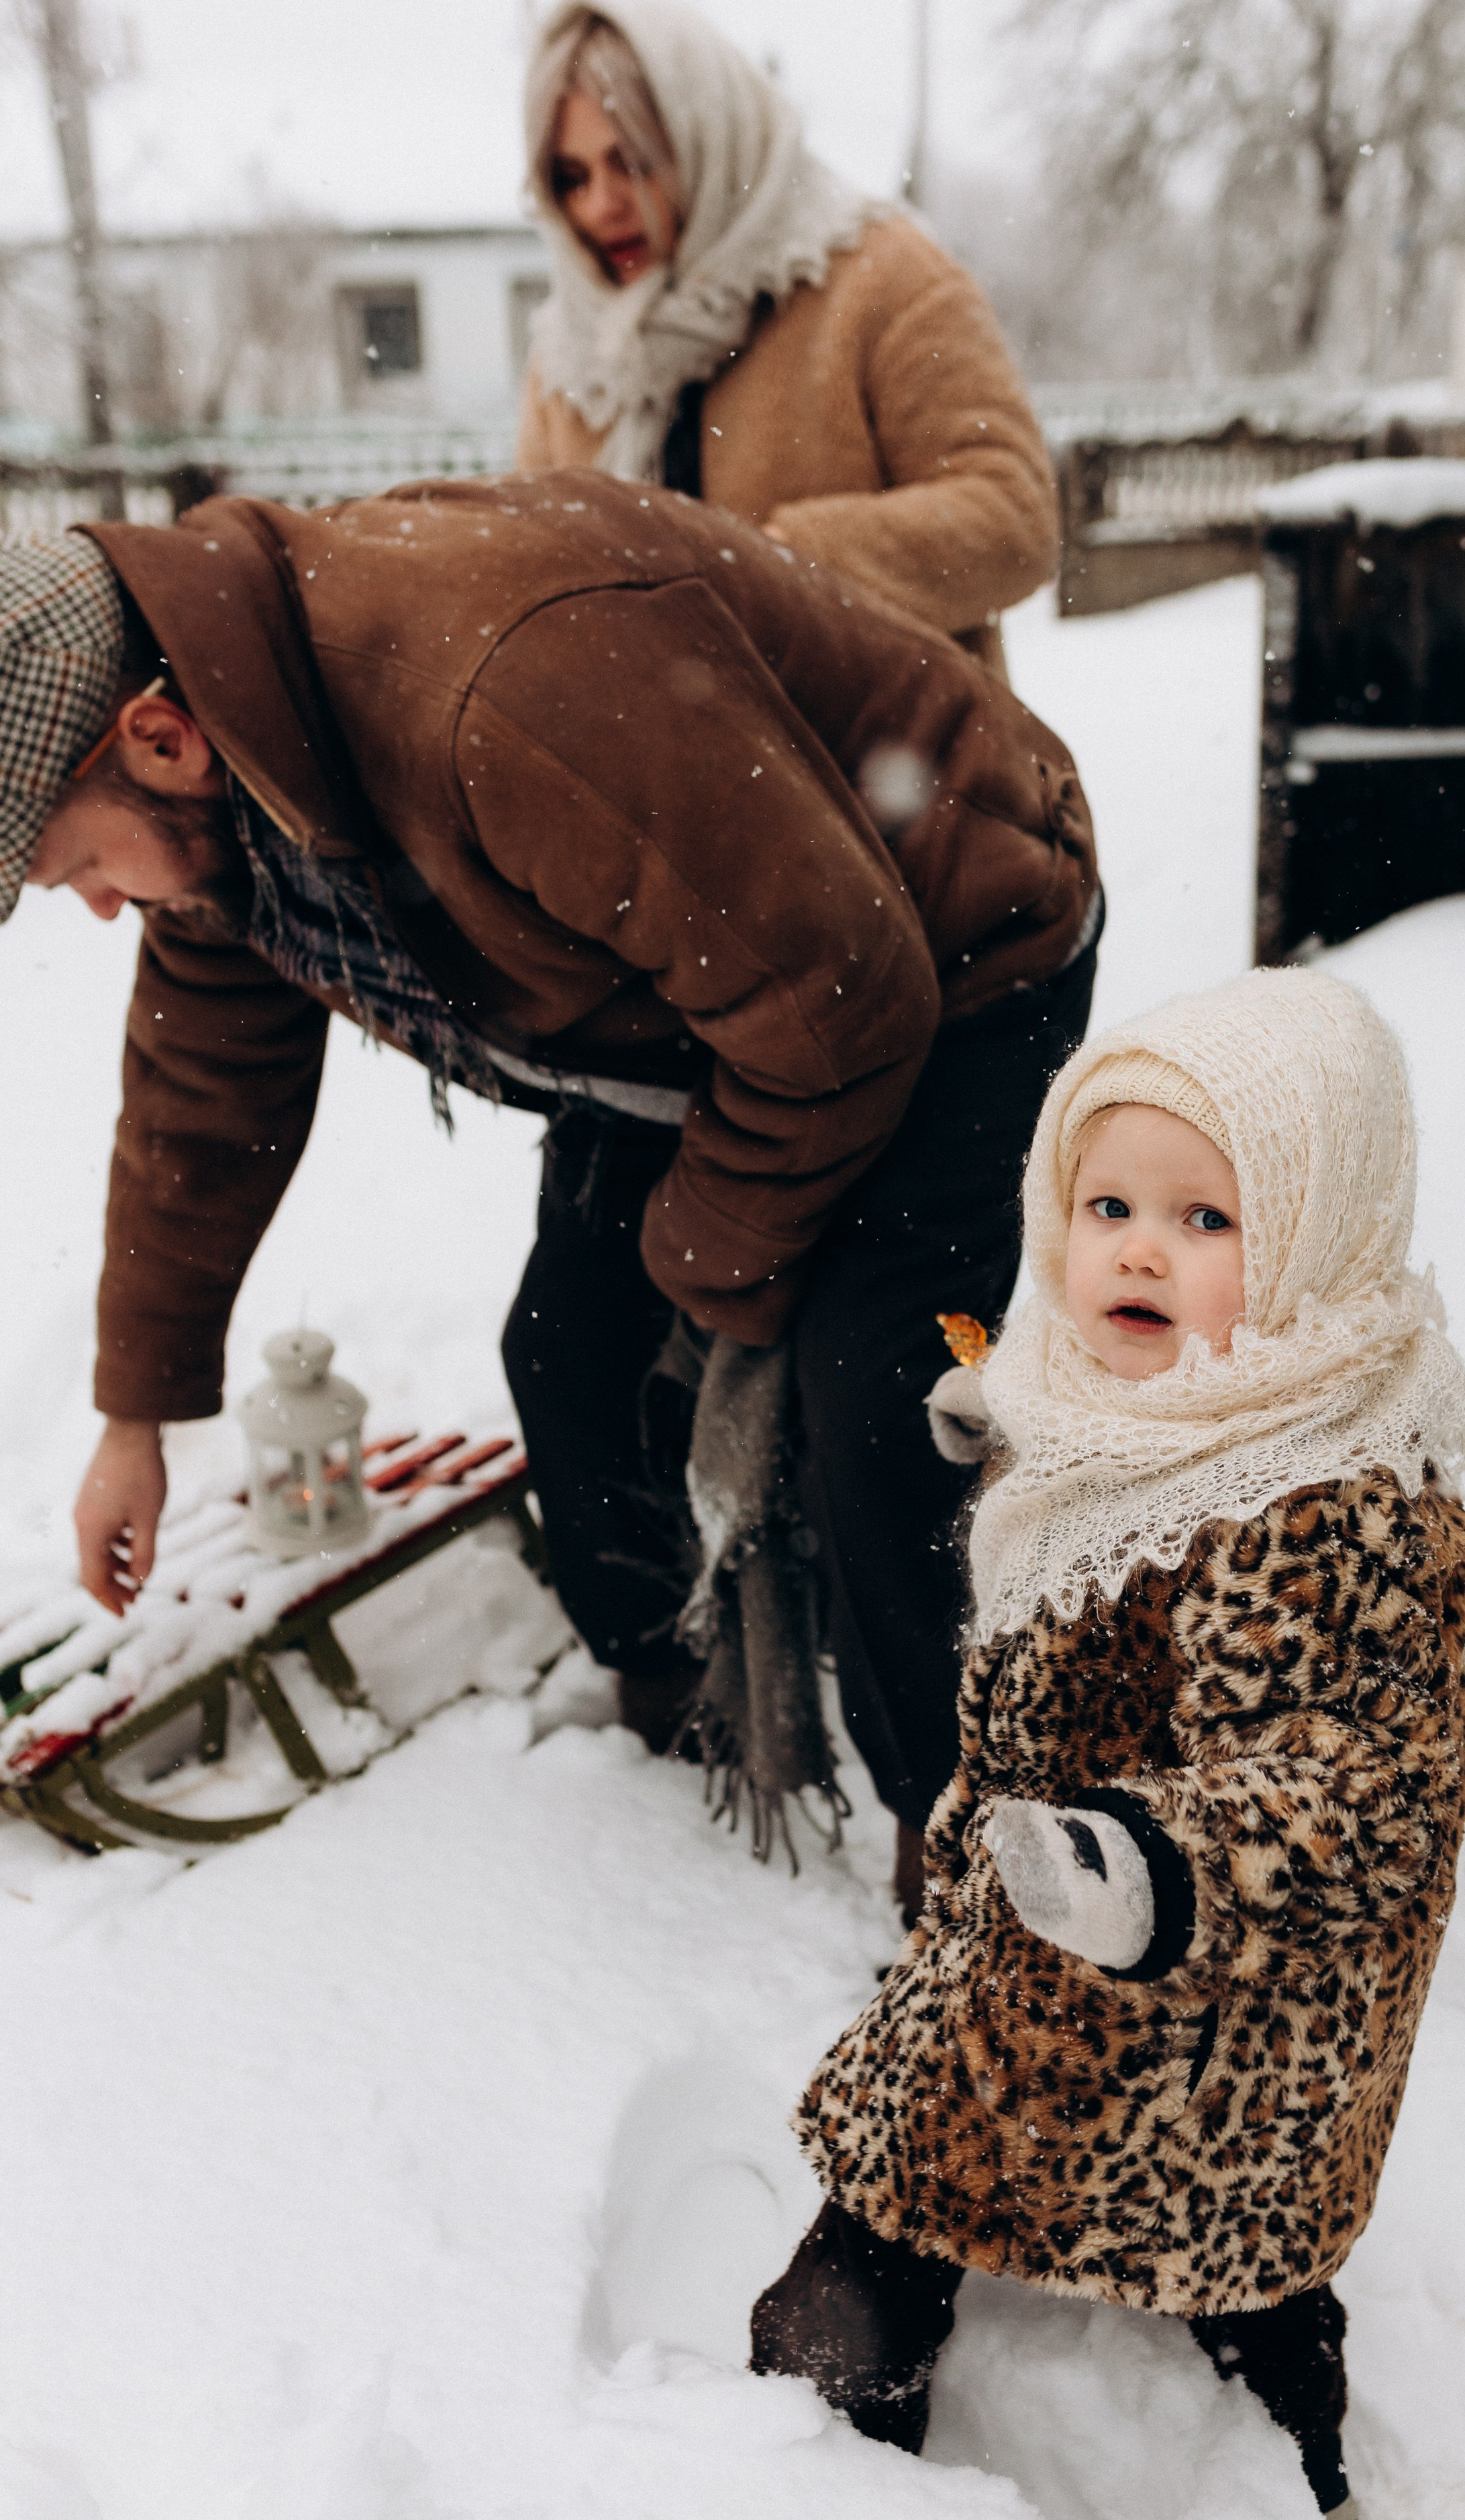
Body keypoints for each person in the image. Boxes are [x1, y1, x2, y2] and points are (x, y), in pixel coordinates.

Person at [0, 485, 1097, 1897]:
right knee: (569, 1352)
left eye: (78, 865)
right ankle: (674, 1701)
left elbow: (836, 997)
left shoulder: (498, 695)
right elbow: (203, 1101)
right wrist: (135, 1415)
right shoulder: (239, 786)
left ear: (158, 738)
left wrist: (711, 1270)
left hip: (947, 940)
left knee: (866, 1384)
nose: (99, 906)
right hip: (689, 998)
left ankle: (961, 1838)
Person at [752, 970, 1465, 2520]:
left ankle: (1298, 2451)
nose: (1137, 1249)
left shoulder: (1325, 1494)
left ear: (1316, 1235)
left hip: (1222, 1975)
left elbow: (1360, 1775)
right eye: (1104, 1203)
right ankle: (804, 2438)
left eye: (1207, 1220)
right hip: (1037, 1896)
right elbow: (1095, 1489)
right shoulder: (1149, 1402)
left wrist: (1148, 1864)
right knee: (931, 2128)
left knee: (1228, 2223)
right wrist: (1009, 1425)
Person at [516, 2, 1058, 668]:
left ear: (711, 141)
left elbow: (1013, 522)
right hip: (657, 767)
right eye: (571, 177)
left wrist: (775, 564)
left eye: (632, 161)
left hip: (879, 765)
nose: (601, 204)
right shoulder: (572, 352)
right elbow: (537, 576)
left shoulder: (882, 277)